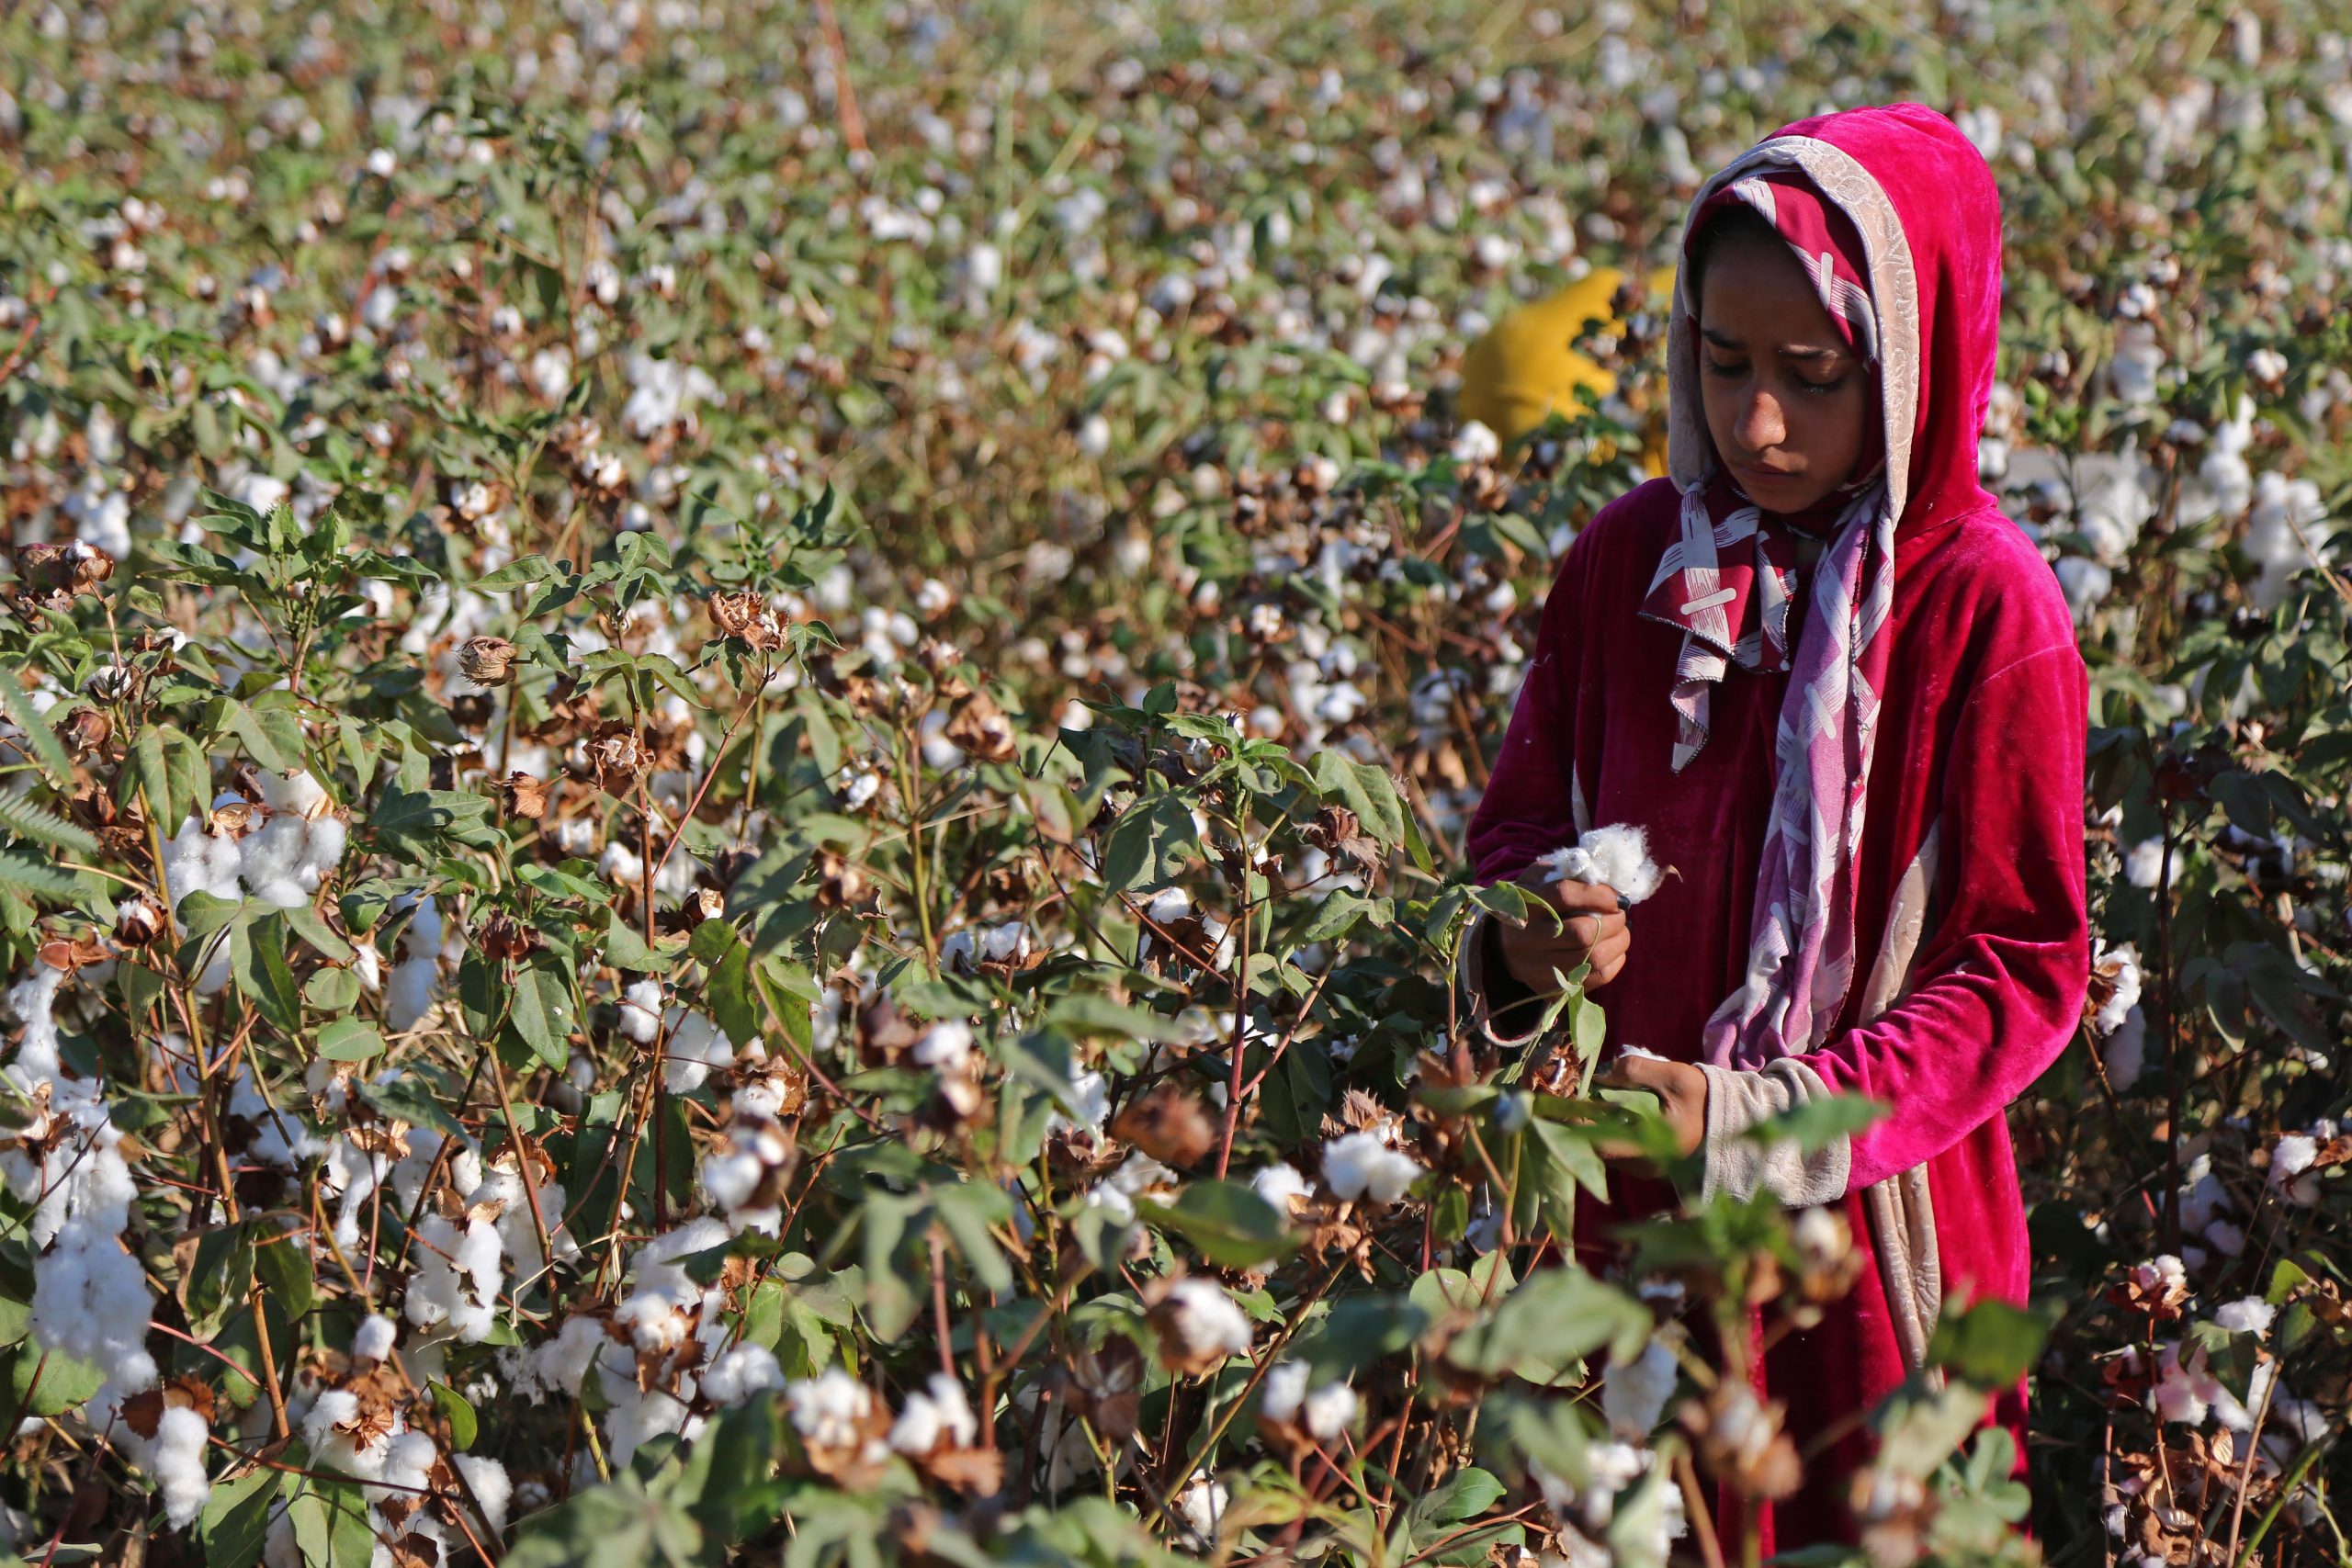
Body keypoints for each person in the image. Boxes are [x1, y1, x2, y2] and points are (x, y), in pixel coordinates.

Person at [1457, 105, 2088, 1547]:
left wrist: (1760, 1125)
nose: (1756, 425)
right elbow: (1507, 839)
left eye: (1813, 377)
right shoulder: (1631, 560)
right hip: (1617, 1222)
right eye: (1723, 364)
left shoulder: (1985, 613)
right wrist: (1518, 945)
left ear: (1918, 364)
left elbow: (2021, 970)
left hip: (1863, 1259)